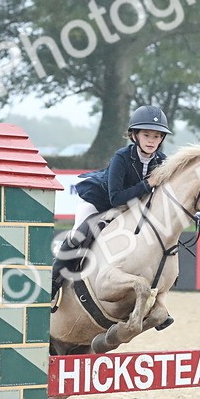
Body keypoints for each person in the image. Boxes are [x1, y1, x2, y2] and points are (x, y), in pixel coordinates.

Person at [52, 105, 171, 296]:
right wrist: (148, 184)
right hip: (99, 201)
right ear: (135, 135)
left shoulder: (163, 161)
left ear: (162, 138)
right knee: (78, 235)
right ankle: (54, 282)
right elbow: (115, 198)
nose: (151, 140)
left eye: (156, 136)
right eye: (147, 135)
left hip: (129, 208)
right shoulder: (121, 157)